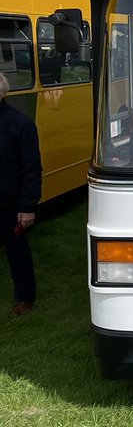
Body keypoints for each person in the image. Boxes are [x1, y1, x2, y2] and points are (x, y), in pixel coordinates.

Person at [0, 72, 42, 318]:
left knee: (17, 253)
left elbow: (31, 169)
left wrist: (27, 207)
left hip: (9, 203)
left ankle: (24, 296)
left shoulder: (20, 124)